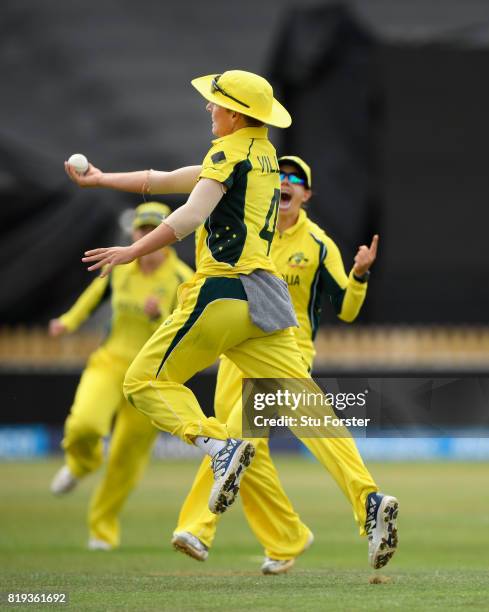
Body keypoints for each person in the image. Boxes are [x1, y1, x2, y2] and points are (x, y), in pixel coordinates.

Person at [65, 70, 398, 569]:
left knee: (142, 382)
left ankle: (219, 448)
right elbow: (171, 180)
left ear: (237, 113)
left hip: (222, 292)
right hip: (268, 301)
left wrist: (132, 250)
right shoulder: (263, 154)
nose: (208, 109)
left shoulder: (229, 153)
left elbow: (189, 215)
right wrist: (103, 178)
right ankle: (369, 501)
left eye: (215, 103)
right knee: (313, 413)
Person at [172, 155, 379, 574]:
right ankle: (287, 538)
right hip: (239, 347)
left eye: (295, 180)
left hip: (287, 349)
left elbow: (348, 309)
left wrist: (358, 276)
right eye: (279, 176)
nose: (284, 182)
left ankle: (198, 527)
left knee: (235, 435)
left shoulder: (317, 244)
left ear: (306, 194)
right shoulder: (254, 229)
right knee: (250, 451)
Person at [49, 202, 194, 550]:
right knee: (84, 425)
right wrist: (68, 321)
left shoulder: (183, 280)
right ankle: (83, 462)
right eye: (141, 231)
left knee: (125, 460)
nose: (146, 237)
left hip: (152, 379)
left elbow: (191, 334)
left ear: (167, 237)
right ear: (133, 234)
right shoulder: (121, 266)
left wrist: (160, 316)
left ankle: (102, 531)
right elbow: (94, 295)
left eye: (152, 231)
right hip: (111, 362)